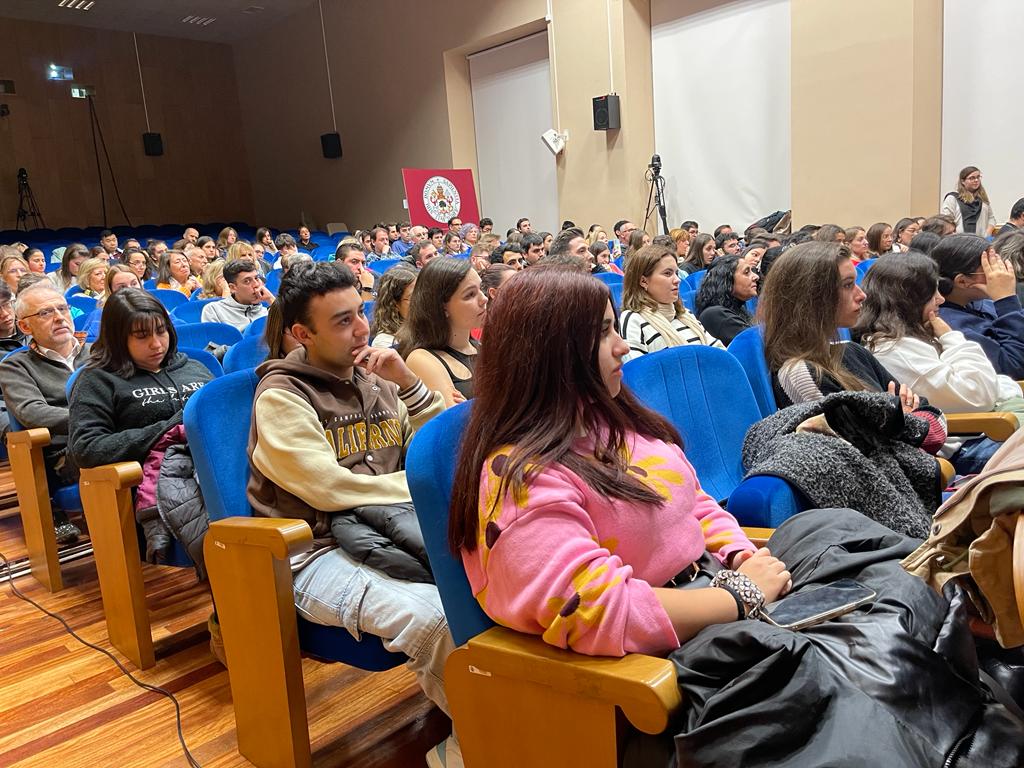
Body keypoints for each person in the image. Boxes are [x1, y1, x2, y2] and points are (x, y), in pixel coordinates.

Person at [450, 264, 786, 660]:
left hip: (719, 590)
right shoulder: (520, 477)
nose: (622, 346)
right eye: (602, 333)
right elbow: (596, 608)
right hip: (674, 654)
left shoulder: (611, 420)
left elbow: (693, 503)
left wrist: (742, 556)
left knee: (834, 538)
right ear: (549, 353)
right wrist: (739, 595)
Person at [245, 262, 460, 767]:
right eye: (342, 321)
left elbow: (436, 447)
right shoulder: (281, 396)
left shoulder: (378, 377)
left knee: (494, 582)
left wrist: (407, 381)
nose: (362, 329)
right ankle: (481, 744)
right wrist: (418, 486)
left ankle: (512, 720)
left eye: (360, 312)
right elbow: (327, 487)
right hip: (312, 550)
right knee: (437, 617)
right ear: (302, 333)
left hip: (390, 530)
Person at [761, 242, 947, 453]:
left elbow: (936, 419)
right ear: (813, 296)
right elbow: (864, 456)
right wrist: (906, 422)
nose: (862, 295)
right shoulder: (799, 375)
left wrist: (902, 423)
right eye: (848, 285)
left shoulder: (853, 351)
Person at [854, 252, 1014, 474]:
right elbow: (979, 395)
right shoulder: (895, 349)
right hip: (964, 447)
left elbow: (989, 384)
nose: (941, 299)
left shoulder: (913, 335)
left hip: (977, 436)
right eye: (933, 293)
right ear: (909, 300)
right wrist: (952, 337)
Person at [68, 289, 214, 472]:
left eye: (161, 331)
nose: (156, 344)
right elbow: (87, 448)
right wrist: (172, 427)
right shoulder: (97, 379)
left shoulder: (193, 367)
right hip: (151, 480)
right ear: (118, 339)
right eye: (142, 336)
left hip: (213, 464)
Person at [0, 283, 93, 543]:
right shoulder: (15, 366)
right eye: (45, 313)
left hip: (115, 436)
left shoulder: (100, 353)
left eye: (62, 308)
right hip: (68, 453)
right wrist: (97, 420)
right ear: (25, 327)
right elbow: (33, 413)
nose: (59, 317)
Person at [929, 233, 1024, 379]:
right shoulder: (948, 324)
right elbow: (1014, 367)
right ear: (962, 281)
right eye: (989, 268)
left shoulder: (983, 303)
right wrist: (1006, 300)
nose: (1000, 272)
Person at [398, 257, 484, 407]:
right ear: (442, 308)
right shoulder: (421, 359)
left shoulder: (481, 346)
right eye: (470, 295)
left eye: (480, 289)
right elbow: (457, 425)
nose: (484, 299)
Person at [620, 244, 723, 361]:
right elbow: (637, 372)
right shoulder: (633, 319)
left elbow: (718, 351)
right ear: (643, 281)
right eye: (668, 274)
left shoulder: (685, 314)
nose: (677, 280)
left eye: (676, 273)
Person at [695, 254, 758, 346]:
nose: (756, 276)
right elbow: (757, 346)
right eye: (746, 272)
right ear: (726, 280)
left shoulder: (736, 307)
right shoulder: (715, 315)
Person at [201, 260, 270, 331]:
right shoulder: (214, 310)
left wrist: (270, 299)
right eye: (247, 281)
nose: (256, 284)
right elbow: (213, 341)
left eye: (256, 278)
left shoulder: (267, 311)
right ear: (232, 288)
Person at [370, 265, 417, 349]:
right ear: (394, 304)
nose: (420, 302)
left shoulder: (425, 328)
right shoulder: (384, 342)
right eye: (413, 298)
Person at [941, 166, 996, 235]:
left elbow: (991, 218)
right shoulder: (953, 198)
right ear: (963, 181)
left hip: (980, 241)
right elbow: (946, 220)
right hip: (959, 241)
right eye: (972, 178)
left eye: (978, 177)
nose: (976, 180)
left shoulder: (982, 199)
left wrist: (988, 232)